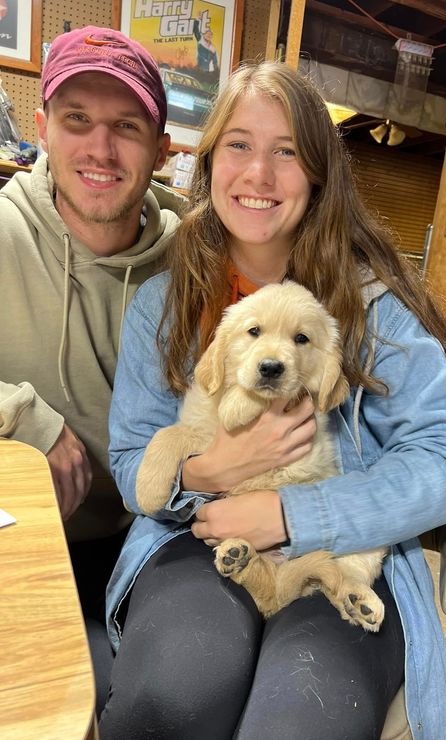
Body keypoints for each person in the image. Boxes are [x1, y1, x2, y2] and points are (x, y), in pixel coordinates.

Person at [102, 62, 446, 739]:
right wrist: (204, 474)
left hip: (339, 551)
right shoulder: (163, 306)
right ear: (209, 160)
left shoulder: (376, 309)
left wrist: (290, 512)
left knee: (299, 717)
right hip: (197, 536)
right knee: (174, 693)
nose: (259, 174)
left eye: (286, 152)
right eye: (240, 145)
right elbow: (134, 464)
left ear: (317, 174)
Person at [0, 26, 181, 715]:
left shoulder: (197, 259)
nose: (100, 149)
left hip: (151, 550)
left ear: (161, 149)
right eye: (78, 119)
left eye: (126, 126)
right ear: (43, 128)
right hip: (24, 545)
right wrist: (24, 416)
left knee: (144, 706)